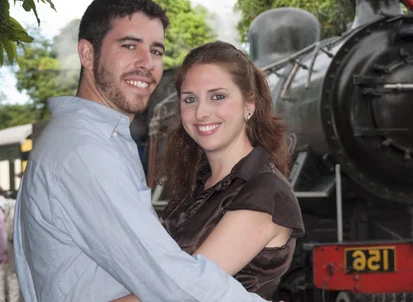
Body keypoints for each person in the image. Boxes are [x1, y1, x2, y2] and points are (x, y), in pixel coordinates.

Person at [14, 0, 268, 302]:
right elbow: (169, 281)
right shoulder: (85, 152)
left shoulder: (96, 140)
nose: (147, 63)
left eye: (157, 51)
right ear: (87, 54)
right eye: (130, 46)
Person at [116, 41, 305, 302]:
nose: (201, 112)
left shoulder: (264, 193)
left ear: (249, 105)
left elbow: (180, 293)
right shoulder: (196, 186)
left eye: (218, 96)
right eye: (190, 99)